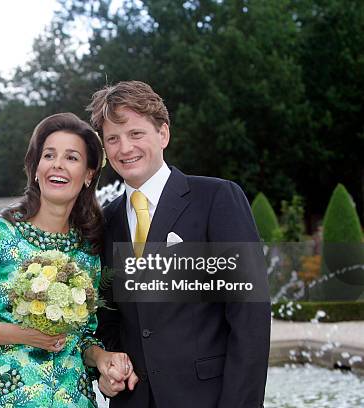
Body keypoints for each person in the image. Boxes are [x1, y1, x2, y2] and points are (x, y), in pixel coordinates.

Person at [88, 81, 271, 407]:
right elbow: (108, 319)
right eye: (112, 139)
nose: (124, 147)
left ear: (163, 135)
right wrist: (107, 372)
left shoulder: (217, 199)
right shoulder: (106, 221)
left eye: (135, 133)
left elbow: (250, 317)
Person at [0, 113, 132, 407]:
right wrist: (22, 334)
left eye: (71, 158)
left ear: (89, 174)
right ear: (36, 168)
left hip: (73, 399)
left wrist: (103, 358)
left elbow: (83, 336)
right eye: (49, 155)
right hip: (4, 397)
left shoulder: (88, 251)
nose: (57, 164)